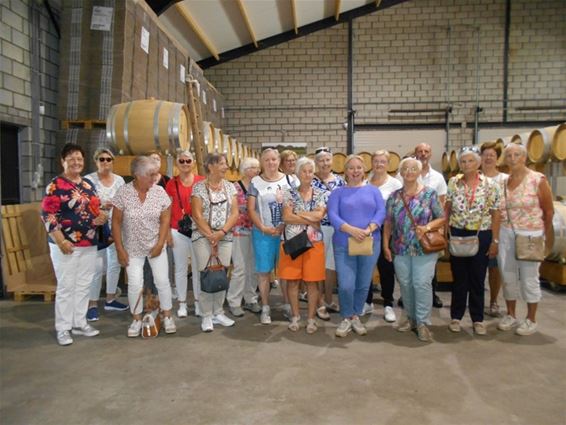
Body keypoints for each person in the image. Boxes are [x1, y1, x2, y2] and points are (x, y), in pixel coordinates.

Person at [41, 143, 107, 346]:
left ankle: (79, 323)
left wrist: (101, 217)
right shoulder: (56, 185)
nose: (76, 162)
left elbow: (95, 207)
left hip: (88, 242)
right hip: (65, 244)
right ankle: (63, 327)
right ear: (63, 161)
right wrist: (60, 240)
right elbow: (48, 214)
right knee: (66, 286)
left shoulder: (87, 184)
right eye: (71, 158)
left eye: (79, 158)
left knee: (84, 284)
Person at [112, 156, 176, 337]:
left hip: (156, 246)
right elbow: (115, 222)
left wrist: (160, 243)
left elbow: (165, 220)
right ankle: (136, 319)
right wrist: (119, 249)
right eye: (150, 174)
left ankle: (167, 315)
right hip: (132, 248)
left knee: (162, 281)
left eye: (155, 173)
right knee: (134, 284)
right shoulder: (123, 193)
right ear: (137, 175)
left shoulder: (159, 192)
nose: (154, 177)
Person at [383, 157, 445, 342]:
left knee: (422, 283)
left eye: (413, 168)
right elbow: (388, 223)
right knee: (406, 284)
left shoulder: (430, 194)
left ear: (419, 172)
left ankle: (423, 323)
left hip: (424, 249)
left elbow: (442, 217)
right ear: (400, 173)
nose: (409, 171)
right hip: (400, 248)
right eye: (405, 169)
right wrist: (385, 245)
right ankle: (410, 319)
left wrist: (426, 228)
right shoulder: (394, 197)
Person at [497, 143, 554, 336]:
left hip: (530, 234)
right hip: (506, 233)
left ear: (525, 157)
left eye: (517, 155)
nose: (512, 158)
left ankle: (531, 319)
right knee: (508, 275)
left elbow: (548, 210)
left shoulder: (537, 179)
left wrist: (543, 234)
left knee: (529, 277)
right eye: (509, 155)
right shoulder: (504, 181)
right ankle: (511, 314)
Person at [328, 154, 385, 337]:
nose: (355, 171)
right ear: (345, 171)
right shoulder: (337, 193)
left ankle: (355, 316)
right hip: (344, 243)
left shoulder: (373, 191)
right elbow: (332, 215)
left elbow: (381, 212)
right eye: (351, 168)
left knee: (362, 283)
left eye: (358, 167)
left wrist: (368, 230)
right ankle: (346, 316)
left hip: (369, 242)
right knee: (345, 285)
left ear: (364, 170)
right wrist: (352, 230)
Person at [446, 146, 501, 335]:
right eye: (463, 161)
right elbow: (448, 207)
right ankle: (456, 316)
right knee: (459, 278)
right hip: (458, 233)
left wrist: (495, 240)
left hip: (482, 234)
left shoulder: (491, 184)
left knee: (477, 278)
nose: (466, 164)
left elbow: (496, 213)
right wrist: (446, 231)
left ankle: (478, 319)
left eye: (470, 161)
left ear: (478, 162)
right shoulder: (454, 182)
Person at [191, 153, 239, 332]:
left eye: (225, 163)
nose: (226, 167)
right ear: (210, 166)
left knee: (221, 273)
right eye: (222, 163)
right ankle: (206, 315)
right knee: (206, 273)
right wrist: (211, 235)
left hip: (224, 237)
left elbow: (234, 213)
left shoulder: (230, 187)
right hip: (203, 237)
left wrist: (222, 232)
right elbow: (196, 214)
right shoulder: (198, 188)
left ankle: (218, 312)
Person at [279, 157, 326, 334]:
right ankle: (296, 316)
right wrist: (309, 216)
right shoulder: (288, 193)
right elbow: (286, 217)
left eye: (310, 171)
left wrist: (298, 212)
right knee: (292, 281)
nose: (307, 174)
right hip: (292, 242)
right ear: (298, 173)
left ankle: (312, 319)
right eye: (304, 171)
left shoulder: (320, 193)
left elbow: (319, 217)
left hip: (314, 243)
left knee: (313, 283)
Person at [248, 148, 294, 324]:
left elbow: (293, 204)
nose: (271, 163)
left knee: (285, 272)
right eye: (267, 160)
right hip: (263, 234)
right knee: (264, 272)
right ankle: (265, 307)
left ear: (278, 161)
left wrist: (284, 224)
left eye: (274, 159)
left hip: (285, 233)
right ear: (262, 162)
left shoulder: (290, 180)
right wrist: (262, 227)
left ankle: (288, 305)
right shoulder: (255, 182)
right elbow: (251, 209)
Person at [397, 143, 447, 308]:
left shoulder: (437, 179)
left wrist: (434, 229)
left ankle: (428, 304)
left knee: (425, 278)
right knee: (407, 278)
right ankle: (410, 307)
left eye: (427, 151)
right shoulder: (401, 179)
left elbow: (442, 205)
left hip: (427, 231)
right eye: (420, 151)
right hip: (405, 238)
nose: (423, 154)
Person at [85, 148, 128, 322]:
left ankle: (111, 298)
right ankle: (92, 304)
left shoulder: (119, 180)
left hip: (115, 226)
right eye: (101, 159)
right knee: (96, 267)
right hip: (97, 228)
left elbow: (125, 200)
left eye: (108, 159)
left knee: (114, 263)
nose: (105, 162)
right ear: (96, 161)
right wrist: (102, 205)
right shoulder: (89, 180)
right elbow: (84, 203)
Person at [364, 150, 402, 323]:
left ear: (388, 164)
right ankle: (367, 301)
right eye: (376, 161)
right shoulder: (365, 183)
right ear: (372, 163)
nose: (379, 164)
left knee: (386, 268)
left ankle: (388, 304)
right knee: (366, 268)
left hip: (387, 231)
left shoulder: (395, 184)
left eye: (382, 161)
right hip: (366, 231)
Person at [165, 150, 204, 318]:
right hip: (177, 229)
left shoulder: (201, 182)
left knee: (197, 268)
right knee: (180, 268)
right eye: (182, 161)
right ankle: (181, 303)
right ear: (177, 163)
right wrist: (166, 231)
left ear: (193, 163)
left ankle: (197, 302)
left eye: (188, 161)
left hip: (198, 230)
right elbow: (165, 209)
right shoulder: (171, 184)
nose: (185, 164)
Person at [311, 147, 345, 319]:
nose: (324, 163)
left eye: (327, 160)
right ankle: (318, 303)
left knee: (331, 266)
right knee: (318, 265)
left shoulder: (340, 181)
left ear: (332, 161)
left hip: (336, 228)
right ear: (316, 162)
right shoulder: (311, 180)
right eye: (321, 160)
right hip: (317, 227)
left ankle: (329, 299)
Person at [226, 157, 262, 317]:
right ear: (246, 170)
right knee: (240, 267)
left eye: (257, 168)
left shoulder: (259, 187)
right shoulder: (234, 187)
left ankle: (251, 298)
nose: (257, 171)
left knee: (253, 266)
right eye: (254, 168)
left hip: (256, 230)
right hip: (238, 231)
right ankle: (234, 300)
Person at [480, 141, 508, 317]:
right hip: (476, 228)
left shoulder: (504, 179)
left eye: (492, 155)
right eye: (486, 154)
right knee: (476, 267)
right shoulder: (474, 176)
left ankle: (493, 301)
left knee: (494, 267)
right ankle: (475, 299)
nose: (489, 157)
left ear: (498, 158)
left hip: (497, 227)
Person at [278, 149, 300, 313]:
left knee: (296, 266)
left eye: (293, 160)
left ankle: (294, 300)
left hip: (298, 229)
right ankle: (286, 301)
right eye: (288, 161)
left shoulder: (297, 179)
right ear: (282, 163)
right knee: (287, 269)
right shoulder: (280, 180)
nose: (291, 163)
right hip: (285, 229)